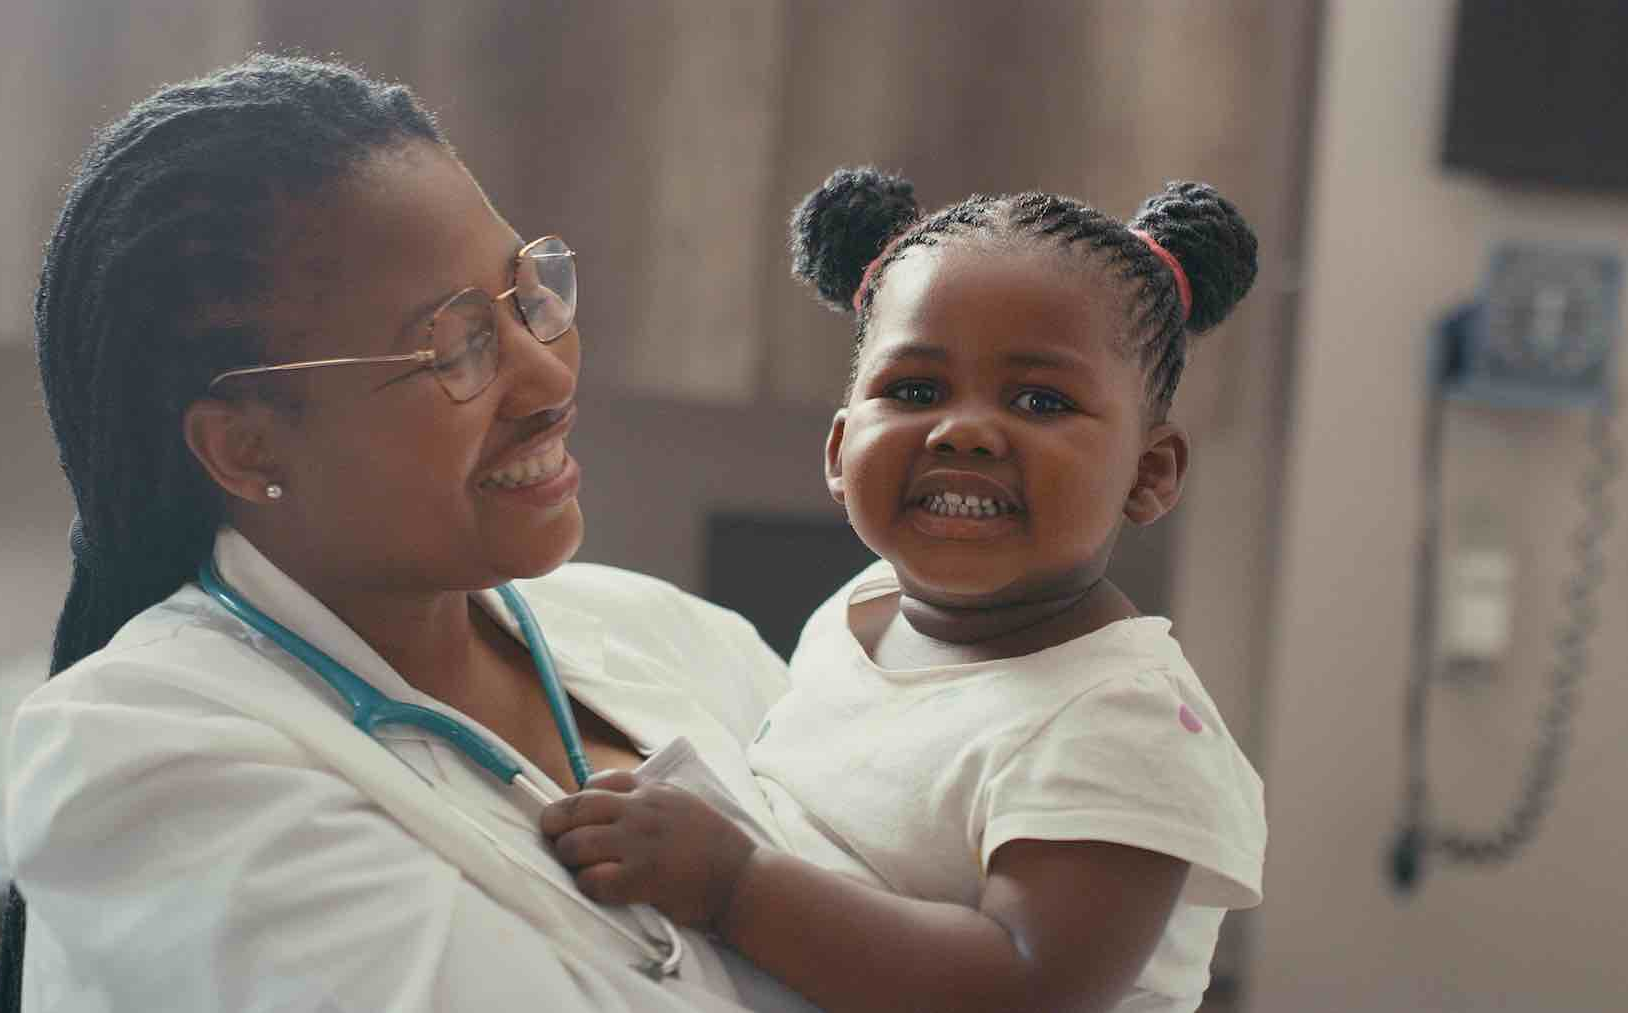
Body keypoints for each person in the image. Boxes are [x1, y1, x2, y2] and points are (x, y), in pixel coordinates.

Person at [0, 55, 815, 1012]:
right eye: (454, 345)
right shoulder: (142, 758)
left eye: (528, 294)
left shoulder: (673, 634)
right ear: (246, 442)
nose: (548, 379)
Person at [540, 168, 1269, 1013]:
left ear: (1148, 473)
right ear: (839, 450)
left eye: (1040, 399)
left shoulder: (1120, 721)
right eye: (916, 390)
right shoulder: (861, 609)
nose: (962, 428)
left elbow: (1020, 985)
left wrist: (733, 882)